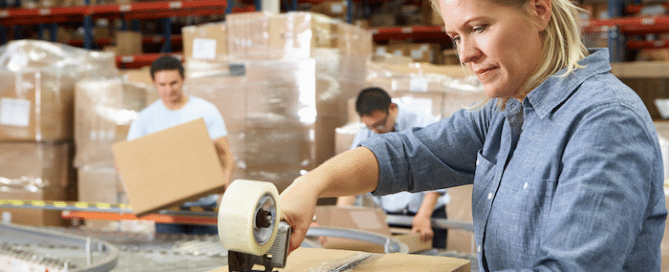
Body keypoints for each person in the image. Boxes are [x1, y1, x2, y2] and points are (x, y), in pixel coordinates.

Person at [279, 0, 668, 270]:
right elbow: (407, 153)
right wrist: (313, 184)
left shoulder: (603, 121)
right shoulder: (507, 111)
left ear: (539, 10)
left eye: (478, 28)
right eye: (456, 37)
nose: (466, 54)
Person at [126, 55, 235, 235]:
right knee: (170, 259)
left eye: (174, 83)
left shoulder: (205, 111)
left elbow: (226, 154)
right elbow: (130, 162)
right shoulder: (144, 119)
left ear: (183, 79)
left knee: (208, 260)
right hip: (166, 208)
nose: (169, 90)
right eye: (162, 85)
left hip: (204, 206)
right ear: (154, 83)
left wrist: (225, 178)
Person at [336, 87, 450, 249]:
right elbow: (353, 176)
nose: (376, 131)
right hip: (390, 217)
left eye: (380, 124)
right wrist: (337, 220)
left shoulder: (423, 124)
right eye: (370, 126)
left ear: (392, 108)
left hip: (426, 215)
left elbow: (438, 173)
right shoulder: (366, 134)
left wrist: (424, 215)